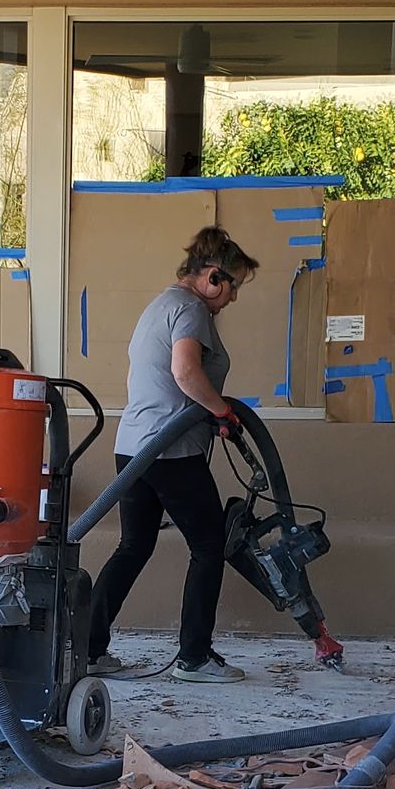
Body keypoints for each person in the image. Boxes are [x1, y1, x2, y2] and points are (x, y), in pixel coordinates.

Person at [87, 224, 258, 683]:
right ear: (212, 276)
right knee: (208, 546)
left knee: (133, 546)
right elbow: (184, 372)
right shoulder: (190, 310)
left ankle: (87, 649)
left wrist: (210, 414)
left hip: (134, 449)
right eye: (234, 285)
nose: (233, 298)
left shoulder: (162, 304)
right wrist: (222, 411)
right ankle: (194, 658)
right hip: (170, 451)